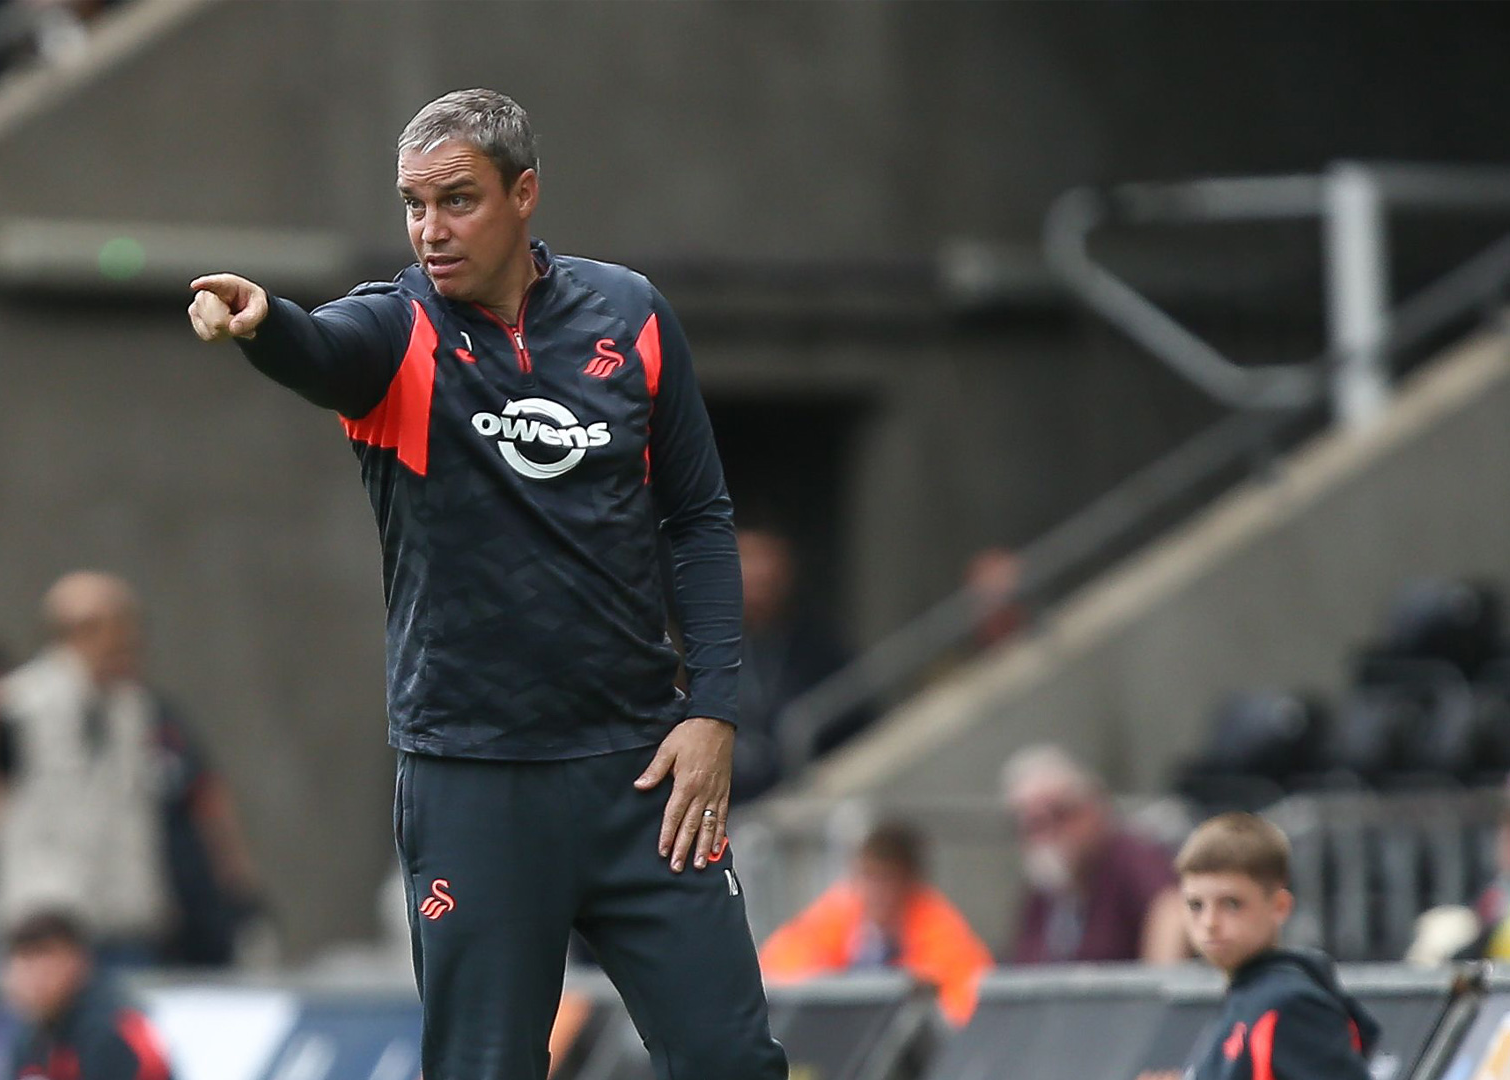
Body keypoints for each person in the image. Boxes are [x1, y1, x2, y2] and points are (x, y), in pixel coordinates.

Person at [189, 88, 785, 1079]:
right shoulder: (398, 333)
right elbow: (324, 352)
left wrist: (713, 709)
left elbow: (697, 518)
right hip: (475, 780)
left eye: (456, 200)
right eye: (412, 204)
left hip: (642, 774)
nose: (429, 230)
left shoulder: (630, 315)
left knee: (733, 1063)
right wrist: (265, 326)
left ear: (524, 194)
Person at [0, 571, 260, 964]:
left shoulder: (139, 709)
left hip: (129, 919)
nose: (123, 639)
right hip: (47, 926)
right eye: (106, 626)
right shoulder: (17, 708)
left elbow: (199, 796)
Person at [1139, 813, 1379, 1080]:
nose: (1209, 922)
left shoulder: (1290, 1004)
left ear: (1279, 907)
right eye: (1196, 905)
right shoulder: (1249, 996)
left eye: (1231, 904)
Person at [758, 821, 992, 1026]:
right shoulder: (840, 913)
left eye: (886, 879)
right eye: (868, 877)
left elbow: (963, 1007)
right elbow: (779, 966)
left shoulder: (941, 931)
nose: (875, 892)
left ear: (910, 882)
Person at [1003, 744, 1189, 965]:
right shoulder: (1045, 892)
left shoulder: (1130, 856)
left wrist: (1155, 988)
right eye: (1032, 825)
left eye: (1059, 815)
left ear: (1092, 808)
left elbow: (1171, 909)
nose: (1047, 836)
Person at [731, 525, 862, 801]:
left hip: (799, 798)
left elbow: (854, 725)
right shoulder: (697, 643)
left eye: (767, 562)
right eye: (748, 560)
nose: (759, 574)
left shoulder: (819, 649)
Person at [1, 910, 174, 1080]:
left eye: (44, 970)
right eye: (23, 969)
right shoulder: (29, 1038)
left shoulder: (112, 1032)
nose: (32, 982)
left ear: (79, 963)